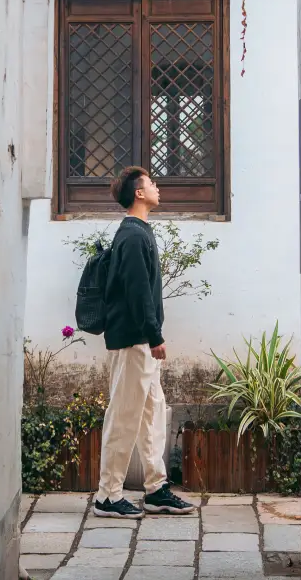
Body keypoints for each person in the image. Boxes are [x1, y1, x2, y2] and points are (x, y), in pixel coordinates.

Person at [93, 166, 195, 519]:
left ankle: (156, 490)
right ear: (138, 193)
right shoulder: (133, 236)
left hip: (140, 341)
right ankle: (108, 495)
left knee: (151, 415)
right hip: (133, 341)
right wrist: (154, 336)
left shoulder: (138, 232)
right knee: (124, 416)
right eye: (151, 183)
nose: (156, 186)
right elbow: (138, 293)